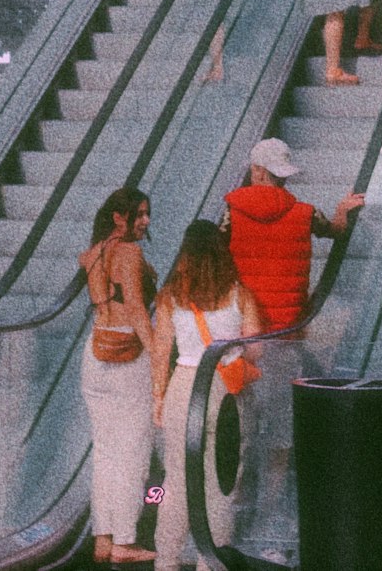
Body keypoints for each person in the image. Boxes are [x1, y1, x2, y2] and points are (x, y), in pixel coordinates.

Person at [151, 221, 262, 571]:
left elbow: (160, 351)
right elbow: (256, 350)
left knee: (177, 480)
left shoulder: (170, 297)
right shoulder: (239, 295)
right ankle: (210, 564)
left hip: (184, 387)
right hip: (226, 390)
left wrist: (159, 397)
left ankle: (166, 562)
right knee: (223, 484)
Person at [79, 188, 158, 564]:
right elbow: (138, 311)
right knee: (133, 453)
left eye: (146, 214)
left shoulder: (92, 253)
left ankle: (103, 537)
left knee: (105, 453)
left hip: (95, 355)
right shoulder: (129, 252)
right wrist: (160, 356)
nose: (144, 221)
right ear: (118, 216)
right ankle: (126, 540)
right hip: (129, 355)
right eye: (137, 214)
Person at [223, 139, 364, 332]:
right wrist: (342, 210)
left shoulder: (231, 214)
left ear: (257, 170)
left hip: (246, 322)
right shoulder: (307, 214)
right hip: (291, 324)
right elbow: (337, 231)